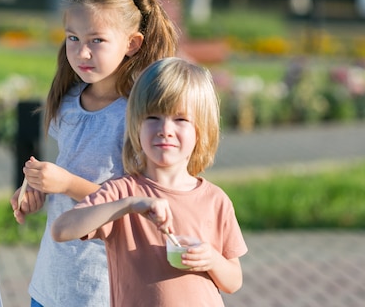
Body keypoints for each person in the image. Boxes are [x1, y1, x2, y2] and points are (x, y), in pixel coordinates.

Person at [10, 0, 179, 306]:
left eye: (97, 40)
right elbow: (68, 174)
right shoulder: (69, 101)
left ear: (132, 43)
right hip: (50, 283)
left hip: (102, 288)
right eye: (73, 38)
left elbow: (141, 206)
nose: (81, 52)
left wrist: (66, 183)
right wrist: (35, 191)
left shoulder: (138, 116)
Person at [51, 57, 248, 307]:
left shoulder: (215, 200)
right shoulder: (123, 192)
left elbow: (234, 281)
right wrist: (129, 205)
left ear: (201, 130)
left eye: (180, 119)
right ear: (136, 125)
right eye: (153, 117)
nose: (165, 129)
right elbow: (61, 230)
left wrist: (211, 259)